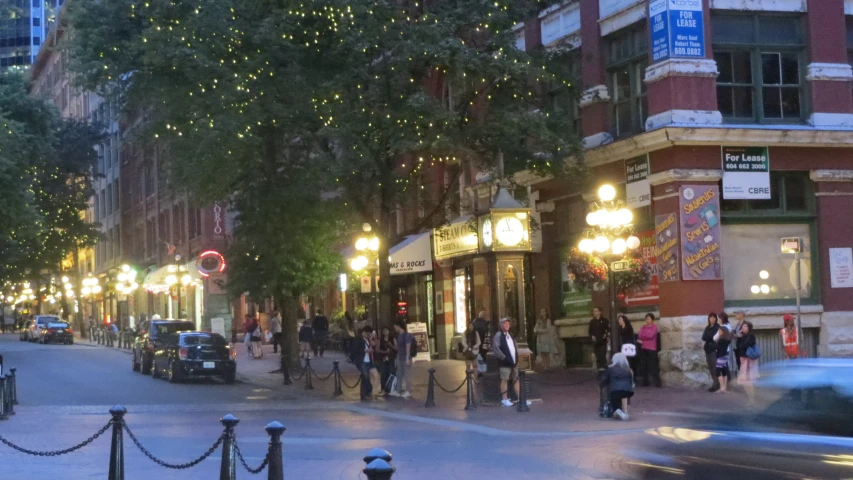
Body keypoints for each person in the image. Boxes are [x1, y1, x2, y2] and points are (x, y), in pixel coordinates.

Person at [492, 317, 531, 408]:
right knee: (504, 379)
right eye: (504, 324)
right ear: (501, 325)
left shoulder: (511, 335)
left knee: (516, 379)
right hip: (505, 363)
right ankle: (504, 399)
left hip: (513, 362)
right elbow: (496, 349)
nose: (506, 325)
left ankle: (520, 398)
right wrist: (504, 358)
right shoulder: (498, 335)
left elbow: (515, 346)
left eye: (508, 324)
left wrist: (516, 357)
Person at [599, 352, 635, 420]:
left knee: (615, 406)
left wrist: (601, 384)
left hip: (615, 391)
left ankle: (618, 411)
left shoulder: (610, 369)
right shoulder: (628, 369)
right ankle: (625, 411)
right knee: (624, 396)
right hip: (627, 391)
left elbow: (605, 379)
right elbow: (631, 381)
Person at [736, 321, 760, 406]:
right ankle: (751, 400)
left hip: (748, 361)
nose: (743, 328)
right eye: (742, 326)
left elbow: (743, 345)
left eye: (745, 326)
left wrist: (741, 339)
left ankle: (752, 400)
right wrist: (739, 337)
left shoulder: (750, 336)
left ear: (749, 327)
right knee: (745, 382)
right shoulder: (743, 336)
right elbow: (738, 346)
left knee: (748, 382)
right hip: (743, 361)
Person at [636, 313, 661, 387]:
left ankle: (657, 382)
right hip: (643, 347)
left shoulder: (654, 327)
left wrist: (644, 337)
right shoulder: (643, 327)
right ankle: (645, 382)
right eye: (646, 319)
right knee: (644, 365)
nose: (647, 320)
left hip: (652, 348)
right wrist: (645, 337)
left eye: (649, 318)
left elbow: (651, 336)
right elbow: (640, 335)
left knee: (653, 366)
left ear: (652, 320)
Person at [389, 322, 413, 398]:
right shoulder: (399, 336)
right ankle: (398, 390)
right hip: (400, 357)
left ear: (399, 326)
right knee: (399, 374)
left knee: (406, 374)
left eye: (395, 327)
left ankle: (408, 391)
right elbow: (399, 348)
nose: (395, 329)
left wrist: (407, 358)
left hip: (405, 357)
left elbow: (408, 346)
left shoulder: (407, 335)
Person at [713, 317, 733, 393]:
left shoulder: (721, 340)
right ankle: (724, 388)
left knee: (718, 371)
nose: (719, 331)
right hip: (724, 356)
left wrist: (715, 346)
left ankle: (722, 387)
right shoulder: (727, 339)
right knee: (724, 371)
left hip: (720, 356)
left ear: (723, 331)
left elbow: (716, 347)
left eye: (720, 330)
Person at [702, 312, 720, 392]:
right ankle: (714, 383)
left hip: (713, 349)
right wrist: (709, 337)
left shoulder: (717, 327)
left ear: (716, 319)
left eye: (714, 317)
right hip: (707, 349)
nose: (712, 319)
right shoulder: (707, 327)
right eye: (711, 317)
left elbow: (714, 337)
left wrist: (708, 337)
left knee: (715, 367)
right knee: (710, 367)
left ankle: (718, 384)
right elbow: (703, 337)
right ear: (708, 319)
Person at [376, 326, 396, 395]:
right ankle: (383, 389)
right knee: (383, 374)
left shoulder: (392, 339)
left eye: (386, 330)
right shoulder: (380, 340)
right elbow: (377, 349)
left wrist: (391, 345)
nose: (385, 332)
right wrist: (384, 352)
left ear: (389, 331)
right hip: (383, 359)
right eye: (384, 330)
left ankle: (390, 388)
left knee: (391, 373)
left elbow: (396, 348)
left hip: (391, 359)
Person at [356, 326, 374, 401]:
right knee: (366, 377)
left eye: (369, 334)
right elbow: (355, 349)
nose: (368, 336)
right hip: (362, 361)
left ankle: (364, 394)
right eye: (367, 334)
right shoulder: (358, 340)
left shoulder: (367, 340)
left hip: (367, 360)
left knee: (365, 378)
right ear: (363, 332)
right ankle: (368, 391)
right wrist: (364, 350)